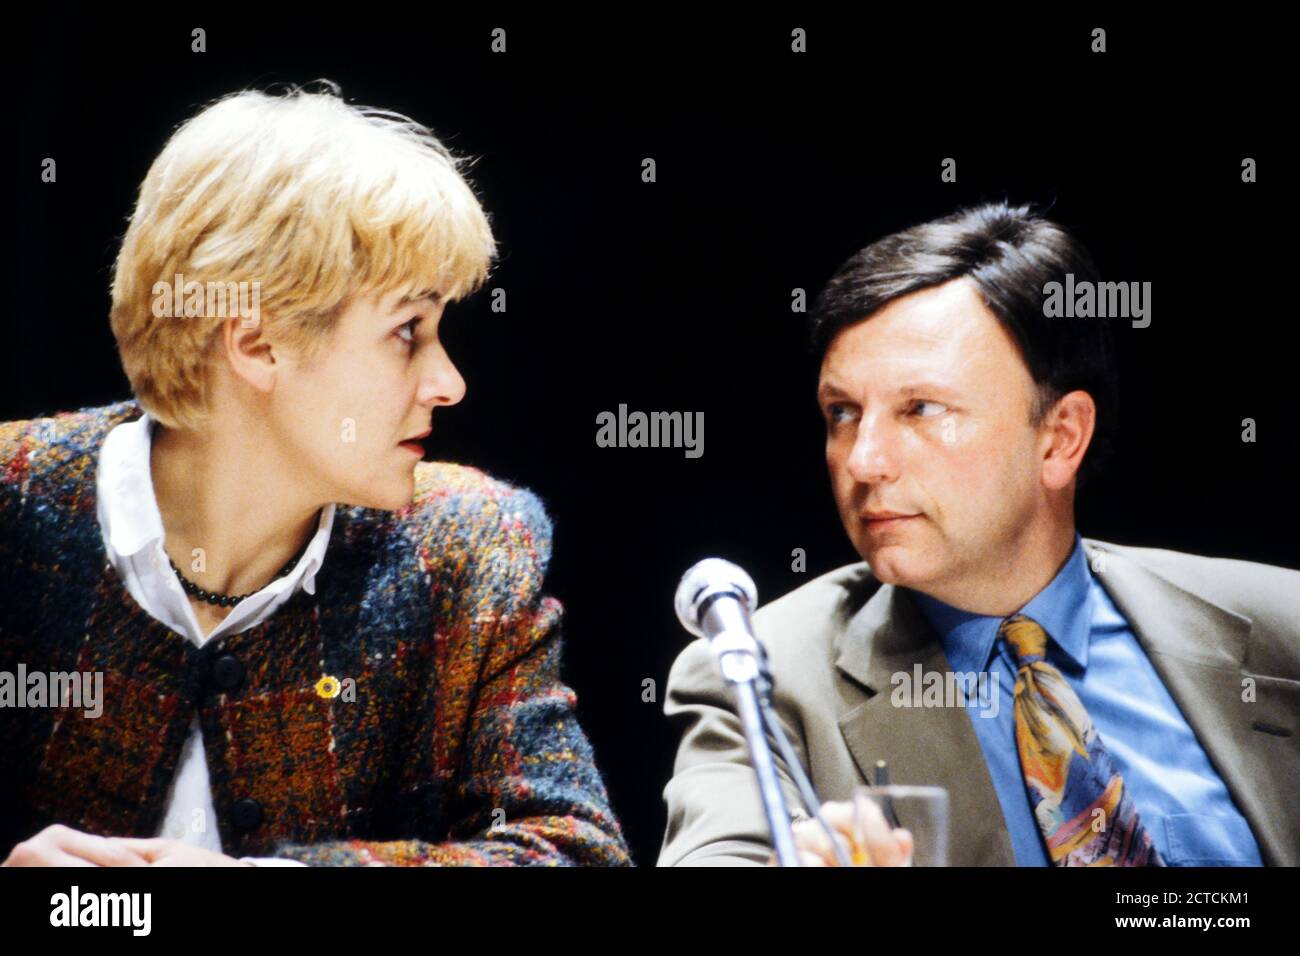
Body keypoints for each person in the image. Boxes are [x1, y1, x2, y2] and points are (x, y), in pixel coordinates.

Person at [0, 83, 630, 867]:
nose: (449, 382)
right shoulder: (14, 503)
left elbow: (577, 856)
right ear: (258, 344)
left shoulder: (468, 549)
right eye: (408, 331)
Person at [659, 201, 1298, 867]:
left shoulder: (1282, 630)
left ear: (1060, 439)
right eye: (842, 412)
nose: (862, 459)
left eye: (922, 408)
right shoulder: (760, 676)